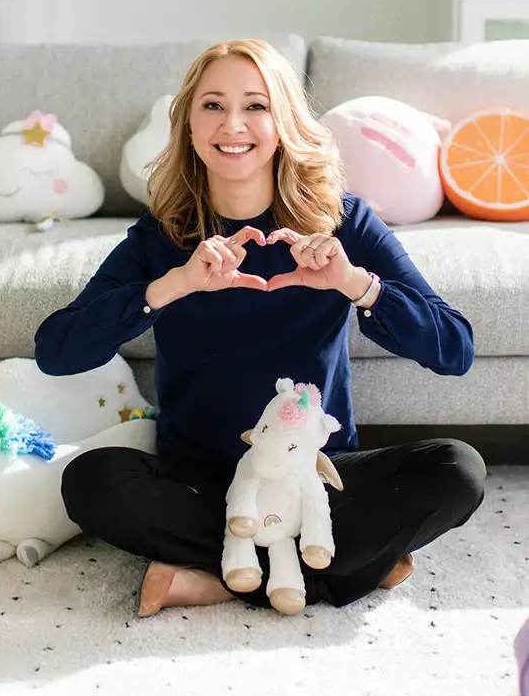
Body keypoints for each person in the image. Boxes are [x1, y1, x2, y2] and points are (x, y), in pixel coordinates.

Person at [35, 38, 486, 618]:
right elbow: (57, 351)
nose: (233, 124)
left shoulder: (346, 222)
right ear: (190, 126)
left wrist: (357, 285)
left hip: (315, 480)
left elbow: (455, 348)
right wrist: (171, 286)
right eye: (213, 105)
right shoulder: (160, 236)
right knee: (91, 481)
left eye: (256, 105)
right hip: (200, 481)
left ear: (283, 122)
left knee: (458, 470)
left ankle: (223, 578)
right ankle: (344, 568)